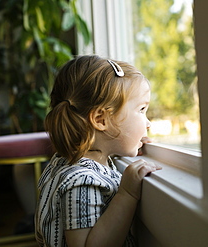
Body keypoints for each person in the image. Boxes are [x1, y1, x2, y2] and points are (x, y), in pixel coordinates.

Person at [35, 55, 162, 247]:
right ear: (101, 120)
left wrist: (125, 145)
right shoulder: (81, 182)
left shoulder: (64, 161)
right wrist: (126, 194)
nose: (148, 123)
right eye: (142, 109)